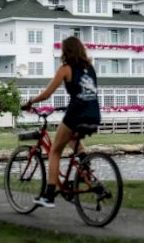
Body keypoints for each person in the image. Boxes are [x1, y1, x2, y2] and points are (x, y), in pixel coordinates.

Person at [22, 36, 101, 208]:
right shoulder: (90, 67)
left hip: (76, 114)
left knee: (55, 151)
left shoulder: (65, 69)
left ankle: (49, 195)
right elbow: (86, 92)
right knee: (72, 140)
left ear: (66, 51)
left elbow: (47, 94)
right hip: (94, 115)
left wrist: (30, 102)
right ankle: (88, 173)